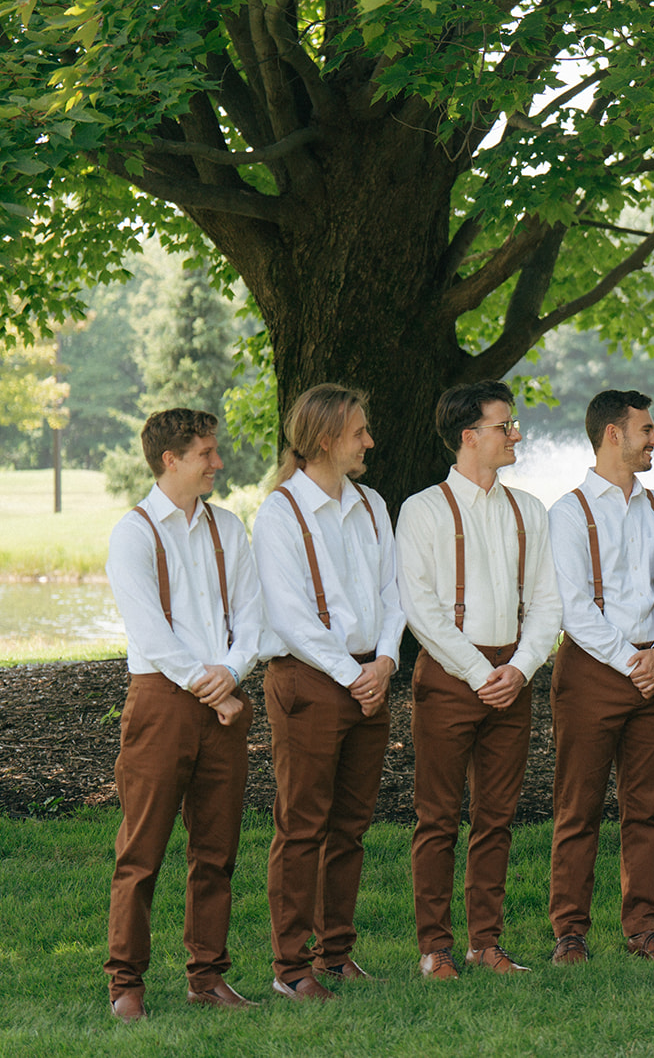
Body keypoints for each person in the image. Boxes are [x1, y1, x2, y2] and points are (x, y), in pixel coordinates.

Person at [396, 380, 562, 979]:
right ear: (470, 436)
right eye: (504, 425)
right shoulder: (422, 509)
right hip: (448, 674)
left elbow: (548, 602)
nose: (514, 433)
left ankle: (484, 943)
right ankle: (434, 946)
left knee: (497, 817)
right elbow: (421, 608)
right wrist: (478, 671)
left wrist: (519, 669)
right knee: (437, 817)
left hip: (511, 677)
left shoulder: (530, 510)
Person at [103, 408, 265, 1021]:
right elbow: (150, 628)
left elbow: (252, 614)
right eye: (206, 453)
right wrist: (212, 686)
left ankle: (208, 976)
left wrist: (233, 673)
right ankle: (126, 983)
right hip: (162, 704)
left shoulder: (228, 528)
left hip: (222, 697)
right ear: (171, 460)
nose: (217, 463)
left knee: (217, 849)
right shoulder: (135, 532)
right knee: (141, 850)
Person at [254, 385, 406, 998]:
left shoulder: (372, 504)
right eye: (359, 432)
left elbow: (395, 594)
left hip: (371, 679)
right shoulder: (280, 513)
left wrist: (387, 662)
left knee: (350, 827)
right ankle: (291, 969)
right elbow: (289, 616)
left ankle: (335, 953)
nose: (370, 441)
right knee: (301, 827)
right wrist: (356, 676)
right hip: (312, 683)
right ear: (324, 440)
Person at [546, 390, 654, 966]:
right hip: (593, 673)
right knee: (577, 807)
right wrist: (637, 661)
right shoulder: (569, 511)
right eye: (646, 430)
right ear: (612, 434)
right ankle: (570, 933)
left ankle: (643, 928)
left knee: (646, 808)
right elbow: (573, 608)